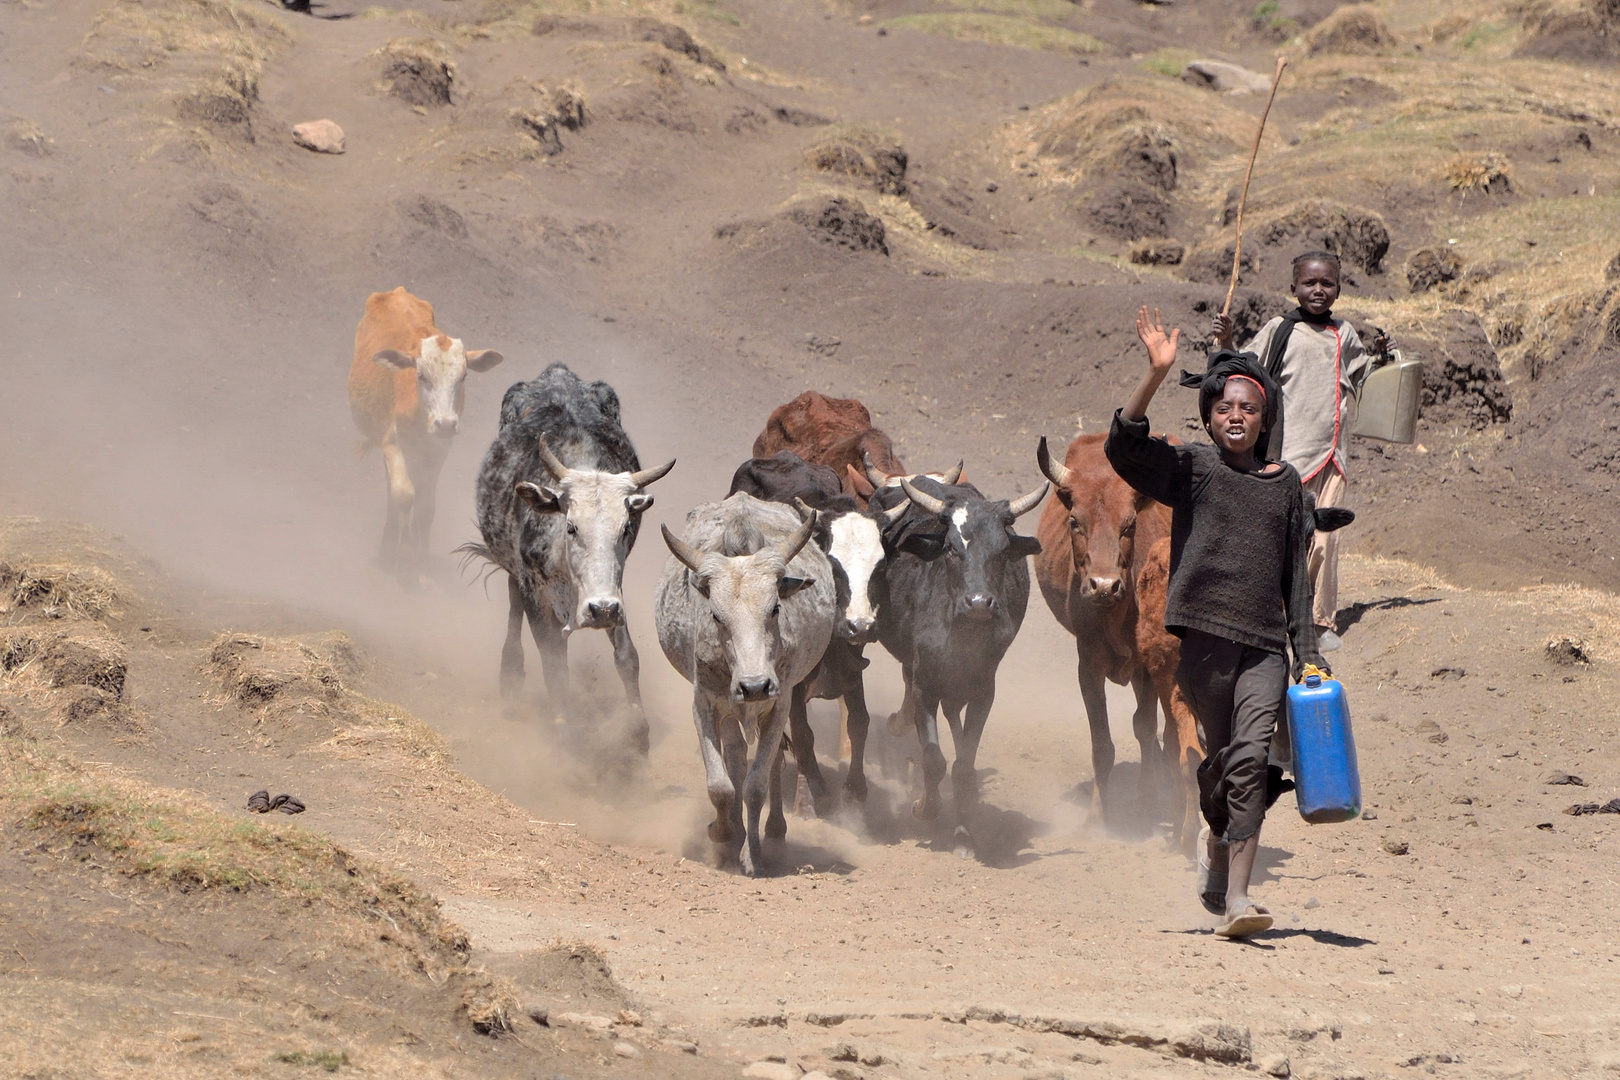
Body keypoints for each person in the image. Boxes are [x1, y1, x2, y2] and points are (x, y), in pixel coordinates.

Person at [1106, 306, 1327, 939]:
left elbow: (1295, 577)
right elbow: (1126, 446)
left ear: (1266, 419)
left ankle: (1238, 898)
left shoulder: (1285, 485)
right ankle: (1217, 845)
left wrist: (1307, 653)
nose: (1235, 416)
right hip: (1202, 648)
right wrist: (1154, 375)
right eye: (1223, 407)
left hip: (1263, 649)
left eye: (1248, 408)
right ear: (1208, 417)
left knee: (1253, 762)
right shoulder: (1195, 470)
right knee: (1222, 765)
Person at [1210, 252, 1393, 651]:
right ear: (1293, 287)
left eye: (1327, 283)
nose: (1318, 290)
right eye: (1309, 283)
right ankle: (1271, 614)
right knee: (1283, 537)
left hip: (1332, 456)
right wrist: (1225, 340)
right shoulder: (1280, 330)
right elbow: (1244, 369)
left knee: (1326, 541)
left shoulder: (1343, 334)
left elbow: (1365, 380)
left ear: (1339, 289)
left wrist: (1383, 355)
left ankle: (1320, 621)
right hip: (1288, 457)